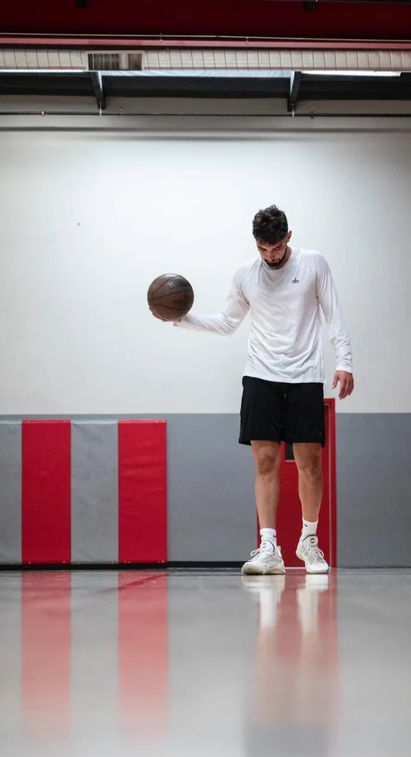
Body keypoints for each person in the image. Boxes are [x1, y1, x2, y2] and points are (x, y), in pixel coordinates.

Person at [168, 205, 354, 575]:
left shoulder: (314, 264)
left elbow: (333, 315)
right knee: (265, 462)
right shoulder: (245, 274)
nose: (270, 255)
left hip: (304, 376)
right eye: (263, 249)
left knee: (310, 465)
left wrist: (345, 361)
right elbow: (227, 323)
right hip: (260, 376)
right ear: (256, 244)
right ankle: (269, 547)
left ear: (288, 238)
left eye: (276, 247)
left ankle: (309, 541)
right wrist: (182, 319)